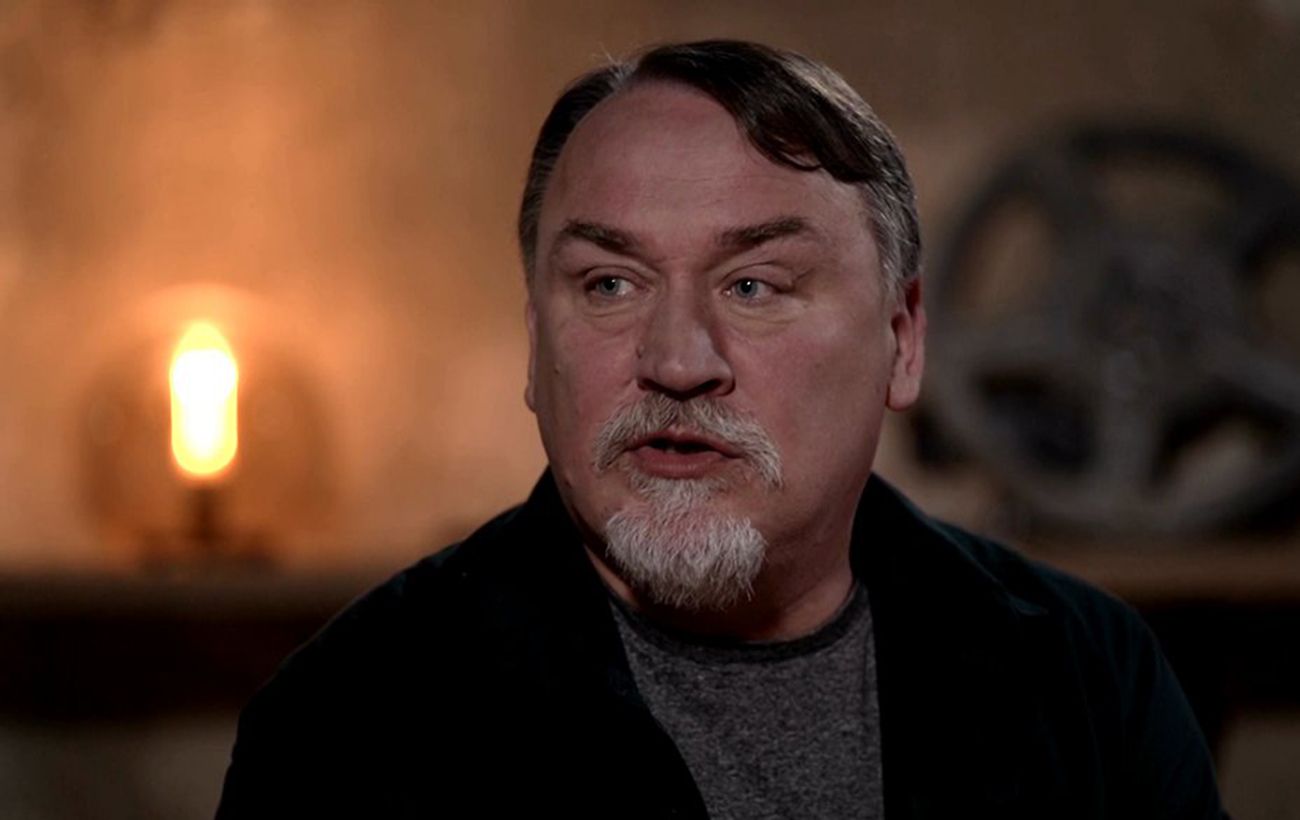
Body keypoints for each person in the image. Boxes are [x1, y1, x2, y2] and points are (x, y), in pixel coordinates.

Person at [216, 40, 1226, 819]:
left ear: (903, 338)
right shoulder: (350, 721)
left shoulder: (1089, 679)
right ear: (535, 344)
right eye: (609, 285)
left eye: (754, 285)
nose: (677, 359)